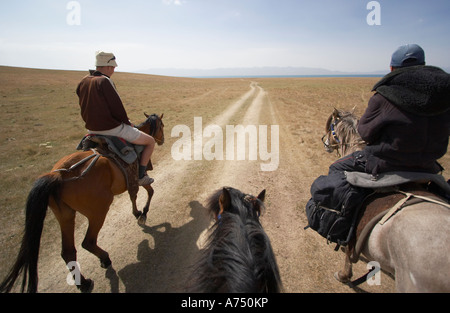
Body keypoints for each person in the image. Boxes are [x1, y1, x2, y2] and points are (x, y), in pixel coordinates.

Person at [330, 43, 450, 176]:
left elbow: (364, 133)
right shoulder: (443, 96)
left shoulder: (385, 96)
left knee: (335, 169)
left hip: (385, 165)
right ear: (423, 65)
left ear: (392, 68)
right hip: (429, 167)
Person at [76, 51, 155, 186]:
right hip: (111, 129)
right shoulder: (105, 81)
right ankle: (141, 176)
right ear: (107, 66)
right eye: (112, 67)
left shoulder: (84, 81)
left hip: (91, 130)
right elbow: (117, 107)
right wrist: (127, 122)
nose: (114, 69)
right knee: (150, 141)